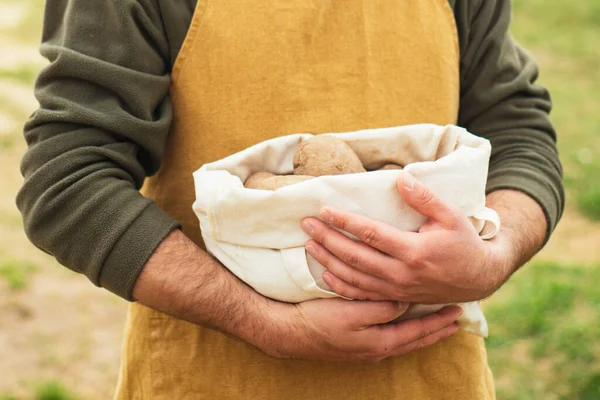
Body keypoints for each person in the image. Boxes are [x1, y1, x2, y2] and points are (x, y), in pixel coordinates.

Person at [17, 0, 564, 398]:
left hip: (432, 380)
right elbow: (68, 179)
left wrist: (494, 252)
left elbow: (516, 128)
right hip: (213, 381)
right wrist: (258, 319)